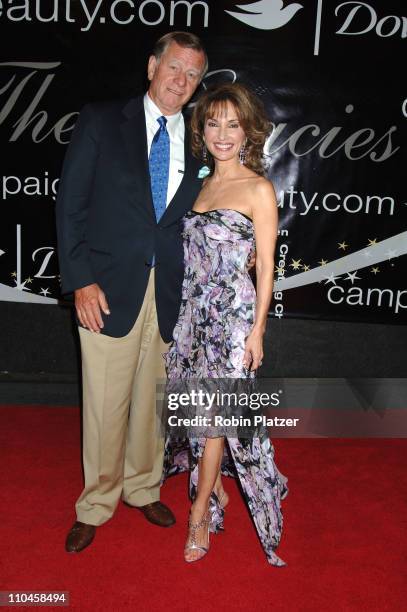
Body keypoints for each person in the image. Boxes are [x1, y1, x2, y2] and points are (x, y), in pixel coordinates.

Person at [56, 32, 208, 553]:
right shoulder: (102, 121)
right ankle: (96, 502)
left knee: (153, 401)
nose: (181, 81)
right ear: (151, 67)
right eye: (174, 68)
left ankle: (143, 487)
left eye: (193, 75)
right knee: (104, 401)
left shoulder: (197, 138)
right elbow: (70, 205)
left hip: (169, 291)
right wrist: (79, 279)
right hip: (105, 288)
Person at [162, 82, 287, 566]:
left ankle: (200, 513)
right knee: (197, 418)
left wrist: (257, 332)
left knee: (215, 420)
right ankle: (213, 487)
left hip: (233, 319)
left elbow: (266, 266)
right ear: (202, 130)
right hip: (192, 315)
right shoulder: (196, 184)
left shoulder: (258, 188)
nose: (222, 133)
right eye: (213, 123)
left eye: (232, 124)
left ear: (248, 131)